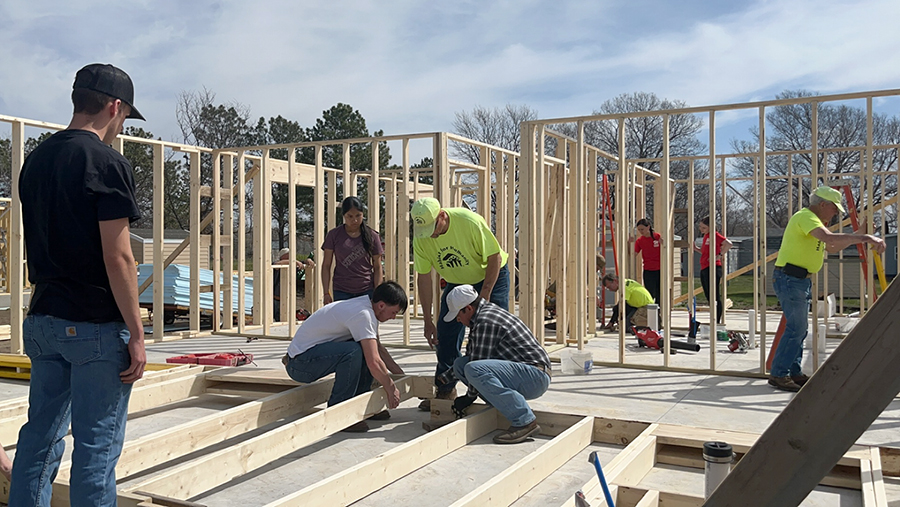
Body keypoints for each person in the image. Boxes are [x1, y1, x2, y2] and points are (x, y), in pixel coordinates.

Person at [11, 63, 146, 506]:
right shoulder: (106, 163)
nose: (120, 126)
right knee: (96, 449)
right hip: (93, 325)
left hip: (43, 321)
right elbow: (119, 255)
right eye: (124, 116)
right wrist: (138, 332)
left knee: (39, 440)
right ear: (114, 106)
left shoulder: (36, 161)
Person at [769, 186, 885, 392]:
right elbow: (830, 240)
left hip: (799, 280)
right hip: (790, 279)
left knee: (800, 329)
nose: (836, 213)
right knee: (796, 328)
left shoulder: (815, 223)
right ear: (822, 204)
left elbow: (831, 246)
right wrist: (866, 238)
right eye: (834, 208)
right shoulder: (805, 217)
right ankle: (779, 374)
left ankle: (793, 372)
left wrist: (860, 233)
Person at [410, 197, 510, 411]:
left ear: (443, 216)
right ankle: (445, 391)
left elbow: (494, 258)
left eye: (434, 228)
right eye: (426, 230)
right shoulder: (421, 237)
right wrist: (427, 321)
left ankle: (499, 393)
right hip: (457, 280)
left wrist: (484, 298)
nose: (432, 235)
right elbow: (424, 278)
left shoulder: (469, 221)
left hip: (491, 275)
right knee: (446, 333)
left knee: (494, 332)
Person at [283, 281, 407, 432]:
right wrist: (390, 387)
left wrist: (403, 378)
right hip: (299, 364)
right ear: (381, 305)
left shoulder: (366, 308)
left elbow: (378, 350)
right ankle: (339, 412)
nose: (393, 317)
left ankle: (363, 405)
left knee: (362, 347)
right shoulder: (363, 315)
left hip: (307, 358)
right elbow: (374, 362)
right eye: (393, 312)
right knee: (353, 351)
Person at [445, 285, 551, 444]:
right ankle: (503, 405)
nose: (458, 320)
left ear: (468, 309)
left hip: (535, 376)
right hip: (525, 371)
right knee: (461, 364)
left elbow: (476, 365)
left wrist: (469, 397)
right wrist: (443, 380)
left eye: (458, 315)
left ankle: (524, 421)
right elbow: (472, 356)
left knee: (472, 369)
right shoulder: (483, 315)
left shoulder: (486, 321)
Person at [322, 196, 384, 304]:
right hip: (341, 290)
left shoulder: (372, 235)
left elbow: (378, 267)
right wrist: (326, 293)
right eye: (350, 216)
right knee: (343, 320)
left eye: (358, 216)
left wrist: (378, 293)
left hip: (366, 289)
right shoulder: (334, 235)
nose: (354, 220)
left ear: (362, 215)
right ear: (344, 216)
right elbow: (326, 265)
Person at [693, 216, 733, 324]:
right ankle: (713, 317)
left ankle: (717, 320)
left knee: (714, 295)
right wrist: (696, 249)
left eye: (704, 227)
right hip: (704, 266)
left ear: (711, 227)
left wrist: (719, 255)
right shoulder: (706, 236)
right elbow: (706, 253)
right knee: (708, 294)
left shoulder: (715, 235)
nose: (701, 229)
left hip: (713, 267)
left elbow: (729, 244)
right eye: (700, 227)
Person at [272, 248, 313, 320]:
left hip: (289, 299)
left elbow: (302, 263)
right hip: (276, 299)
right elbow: (277, 264)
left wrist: (307, 260)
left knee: (287, 320)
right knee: (278, 319)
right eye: (288, 256)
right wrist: (294, 262)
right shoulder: (276, 264)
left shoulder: (293, 264)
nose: (291, 258)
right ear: (283, 256)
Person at [633, 218, 662, 305]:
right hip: (648, 269)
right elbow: (634, 253)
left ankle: (660, 312)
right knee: (649, 292)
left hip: (660, 269)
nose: (641, 231)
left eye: (642, 229)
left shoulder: (657, 237)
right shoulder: (640, 241)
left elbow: (665, 248)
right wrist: (628, 244)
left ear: (648, 227)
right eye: (639, 230)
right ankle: (650, 311)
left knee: (659, 292)